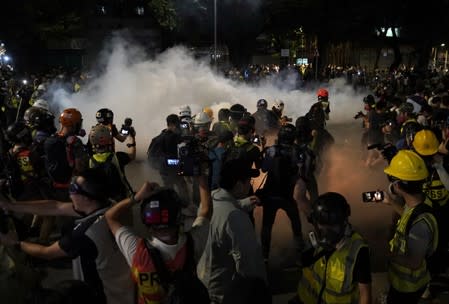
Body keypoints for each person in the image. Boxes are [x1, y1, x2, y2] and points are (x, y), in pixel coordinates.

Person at [0, 167, 135, 304]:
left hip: (104, 295)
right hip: (125, 285)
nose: (69, 194)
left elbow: (47, 252)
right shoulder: (109, 207)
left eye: (73, 189)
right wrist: (11, 206)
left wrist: (16, 243)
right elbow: (56, 207)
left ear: (85, 198)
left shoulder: (84, 233)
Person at [105, 184, 209, 304]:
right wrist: (201, 177)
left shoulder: (136, 251)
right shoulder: (193, 243)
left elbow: (110, 217)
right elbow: (206, 210)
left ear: (147, 223)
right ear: (179, 218)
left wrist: (136, 198)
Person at [197, 157, 268, 304]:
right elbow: (248, 264)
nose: (250, 185)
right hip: (222, 293)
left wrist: (241, 203)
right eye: (248, 181)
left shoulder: (211, 199)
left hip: (203, 282)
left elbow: (223, 211)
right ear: (238, 185)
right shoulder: (236, 218)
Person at [293, 192, 372, 304]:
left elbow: (365, 295)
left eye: (331, 226)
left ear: (344, 222)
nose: (325, 232)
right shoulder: (316, 237)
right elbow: (299, 197)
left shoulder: (358, 250)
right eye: (322, 225)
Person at [382, 150, 439, 303]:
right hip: (400, 282)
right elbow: (409, 216)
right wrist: (391, 203)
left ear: (399, 185)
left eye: (392, 179)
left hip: (408, 287)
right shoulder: (418, 202)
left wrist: (386, 253)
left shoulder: (421, 225)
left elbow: (414, 262)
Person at [259, 124, 306, 263]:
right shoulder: (297, 152)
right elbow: (302, 173)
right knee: (296, 224)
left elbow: (263, 168)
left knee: (267, 226)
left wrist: (265, 150)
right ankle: (300, 254)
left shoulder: (272, 150)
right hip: (287, 196)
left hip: (270, 196)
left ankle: (264, 257)